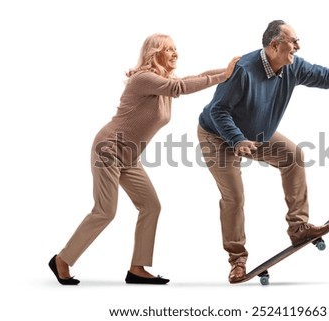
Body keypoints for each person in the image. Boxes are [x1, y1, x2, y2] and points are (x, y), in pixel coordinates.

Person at [197, 20, 329, 283]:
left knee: (293, 156)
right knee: (234, 197)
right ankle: (237, 260)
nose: (298, 46)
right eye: (293, 41)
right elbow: (219, 110)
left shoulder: (292, 66)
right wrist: (237, 139)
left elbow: (325, 76)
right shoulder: (243, 69)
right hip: (218, 136)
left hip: (257, 134)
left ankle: (299, 228)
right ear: (275, 45)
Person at [49, 33, 240, 285]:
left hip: (128, 157)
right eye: (168, 49)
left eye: (176, 49)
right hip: (108, 150)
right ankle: (62, 260)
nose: (175, 53)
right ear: (154, 53)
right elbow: (180, 88)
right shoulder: (143, 79)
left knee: (151, 206)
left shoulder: (162, 82)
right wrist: (224, 75)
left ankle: (137, 269)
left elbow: (189, 79)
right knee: (105, 211)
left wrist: (230, 70)